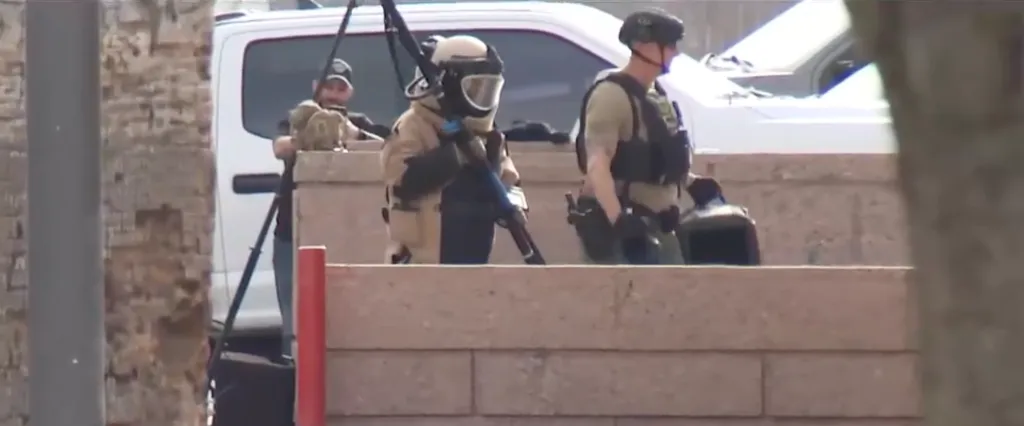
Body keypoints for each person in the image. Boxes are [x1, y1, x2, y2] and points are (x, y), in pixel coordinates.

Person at [567, 8, 697, 265]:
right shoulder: (611, 96)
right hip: (623, 236)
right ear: (644, 46)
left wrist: (692, 182)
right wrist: (619, 222)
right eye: (669, 44)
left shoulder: (655, 95)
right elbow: (597, 165)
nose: (675, 52)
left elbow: (659, 157)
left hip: (658, 228)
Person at [270, 58, 381, 358]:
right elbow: (279, 147)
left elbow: (386, 147)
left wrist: (349, 133)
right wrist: (307, 136)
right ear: (315, 87)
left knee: (344, 315)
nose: (332, 94)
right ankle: (292, 369)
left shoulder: (360, 122)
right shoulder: (300, 117)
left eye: (339, 88)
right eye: (327, 86)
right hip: (292, 232)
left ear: (350, 92)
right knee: (294, 314)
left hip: (343, 234)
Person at [380, 35, 524, 264]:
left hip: (475, 248)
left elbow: (508, 174)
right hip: (423, 257)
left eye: (488, 89)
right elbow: (399, 177)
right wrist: (455, 154)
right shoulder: (414, 124)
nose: (482, 97)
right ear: (450, 84)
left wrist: (513, 202)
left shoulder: (484, 131)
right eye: (475, 88)